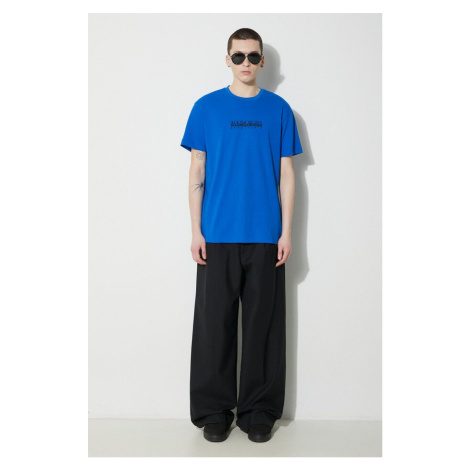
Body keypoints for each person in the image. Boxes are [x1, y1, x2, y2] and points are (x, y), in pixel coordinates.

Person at [180, 28, 303, 443]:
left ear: (262, 61)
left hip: (266, 235)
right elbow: (197, 170)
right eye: (238, 56)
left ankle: (259, 411)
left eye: (253, 56)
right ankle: (213, 411)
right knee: (214, 326)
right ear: (228, 59)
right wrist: (196, 230)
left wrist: (287, 232)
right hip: (216, 234)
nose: (246, 63)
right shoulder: (206, 108)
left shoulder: (279, 110)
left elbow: (287, 174)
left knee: (263, 326)